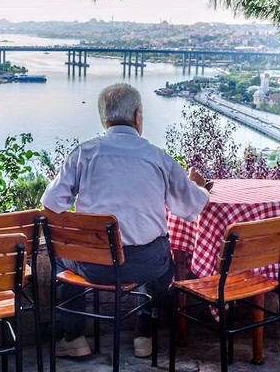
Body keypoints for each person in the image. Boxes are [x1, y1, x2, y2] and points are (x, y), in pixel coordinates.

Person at [40, 83, 210, 359]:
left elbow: (51, 204)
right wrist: (199, 186)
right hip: (147, 266)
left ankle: (74, 337)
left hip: (94, 265)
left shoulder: (84, 153)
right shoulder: (158, 158)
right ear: (138, 115)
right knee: (159, 250)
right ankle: (145, 335)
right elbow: (192, 206)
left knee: (61, 255)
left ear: (103, 118)